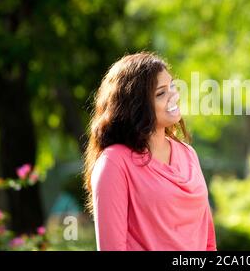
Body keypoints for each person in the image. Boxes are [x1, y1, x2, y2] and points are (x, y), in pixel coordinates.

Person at [83, 52, 216, 251]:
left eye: (172, 86)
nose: (174, 96)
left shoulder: (188, 154)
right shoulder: (114, 162)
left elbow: (208, 241)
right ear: (136, 106)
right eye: (161, 93)